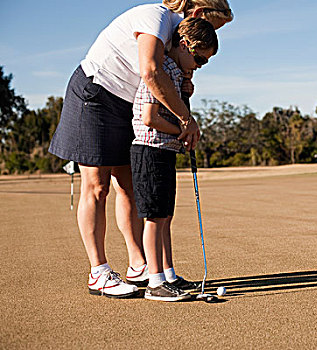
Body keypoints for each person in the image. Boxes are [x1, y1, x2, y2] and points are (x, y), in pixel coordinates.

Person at [48, 0, 232, 298]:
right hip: (95, 94)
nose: (210, 34)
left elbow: (166, 76)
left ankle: (139, 265)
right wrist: (187, 121)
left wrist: (186, 81)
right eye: (212, 27)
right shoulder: (156, 18)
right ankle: (99, 271)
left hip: (126, 103)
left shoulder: (178, 40)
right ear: (197, 14)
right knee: (97, 187)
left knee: (130, 187)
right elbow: (149, 71)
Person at [131, 17, 218, 301]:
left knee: (165, 216)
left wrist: (187, 83)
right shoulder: (164, 69)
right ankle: (155, 282)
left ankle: (168, 274)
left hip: (164, 150)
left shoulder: (177, 73)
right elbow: (150, 118)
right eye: (199, 59)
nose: (199, 66)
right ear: (183, 45)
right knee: (154, 218)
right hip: (149, 149)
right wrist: (184, 128)